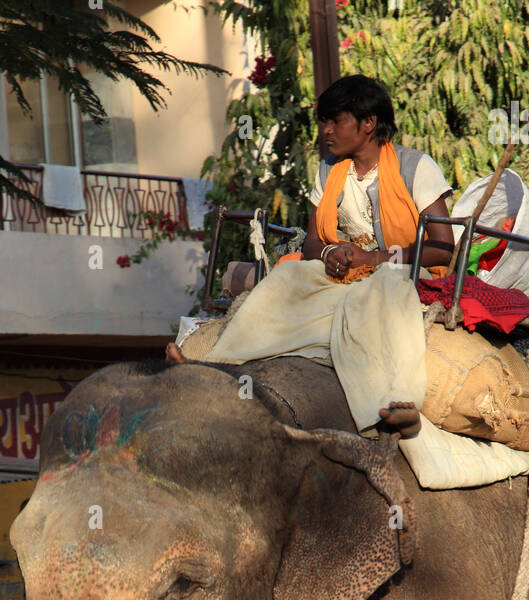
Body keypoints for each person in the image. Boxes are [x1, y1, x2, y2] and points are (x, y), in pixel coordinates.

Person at [167, 75, 456, 441]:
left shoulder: (415, 166)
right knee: (288, 278)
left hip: (405, 273)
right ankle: (213, 366)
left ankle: (400, 402)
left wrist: (375, 257)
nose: (326, 131)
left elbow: (443, 246)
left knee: (382, 288)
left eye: (336, 121)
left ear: (368, 124)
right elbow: (312, 243)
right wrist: (332, 252)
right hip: (351, 274)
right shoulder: (330, 169)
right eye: (324, 122)